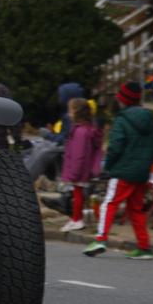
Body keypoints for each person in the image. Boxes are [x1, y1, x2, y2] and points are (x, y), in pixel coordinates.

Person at [84, 82, 153, 259]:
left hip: (123, 170)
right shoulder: (150, 119)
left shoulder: (122, 119)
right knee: (136, 209)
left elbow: (115, 147)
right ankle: (144, 247)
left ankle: (100, 239)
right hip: (141, 172)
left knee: (110, 203)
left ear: (122, 100)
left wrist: (108, 166)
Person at [60, 98, 102, 232]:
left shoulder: (80, 132)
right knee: (78, 194)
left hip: (79, 170)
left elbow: (79, 155)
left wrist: (74, 173)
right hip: (84, 169)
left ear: (77, 112)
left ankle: (77, 220)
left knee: (77, 195)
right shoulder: (88, 129)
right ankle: (76, 218)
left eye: (70, 110)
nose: (69, 113)